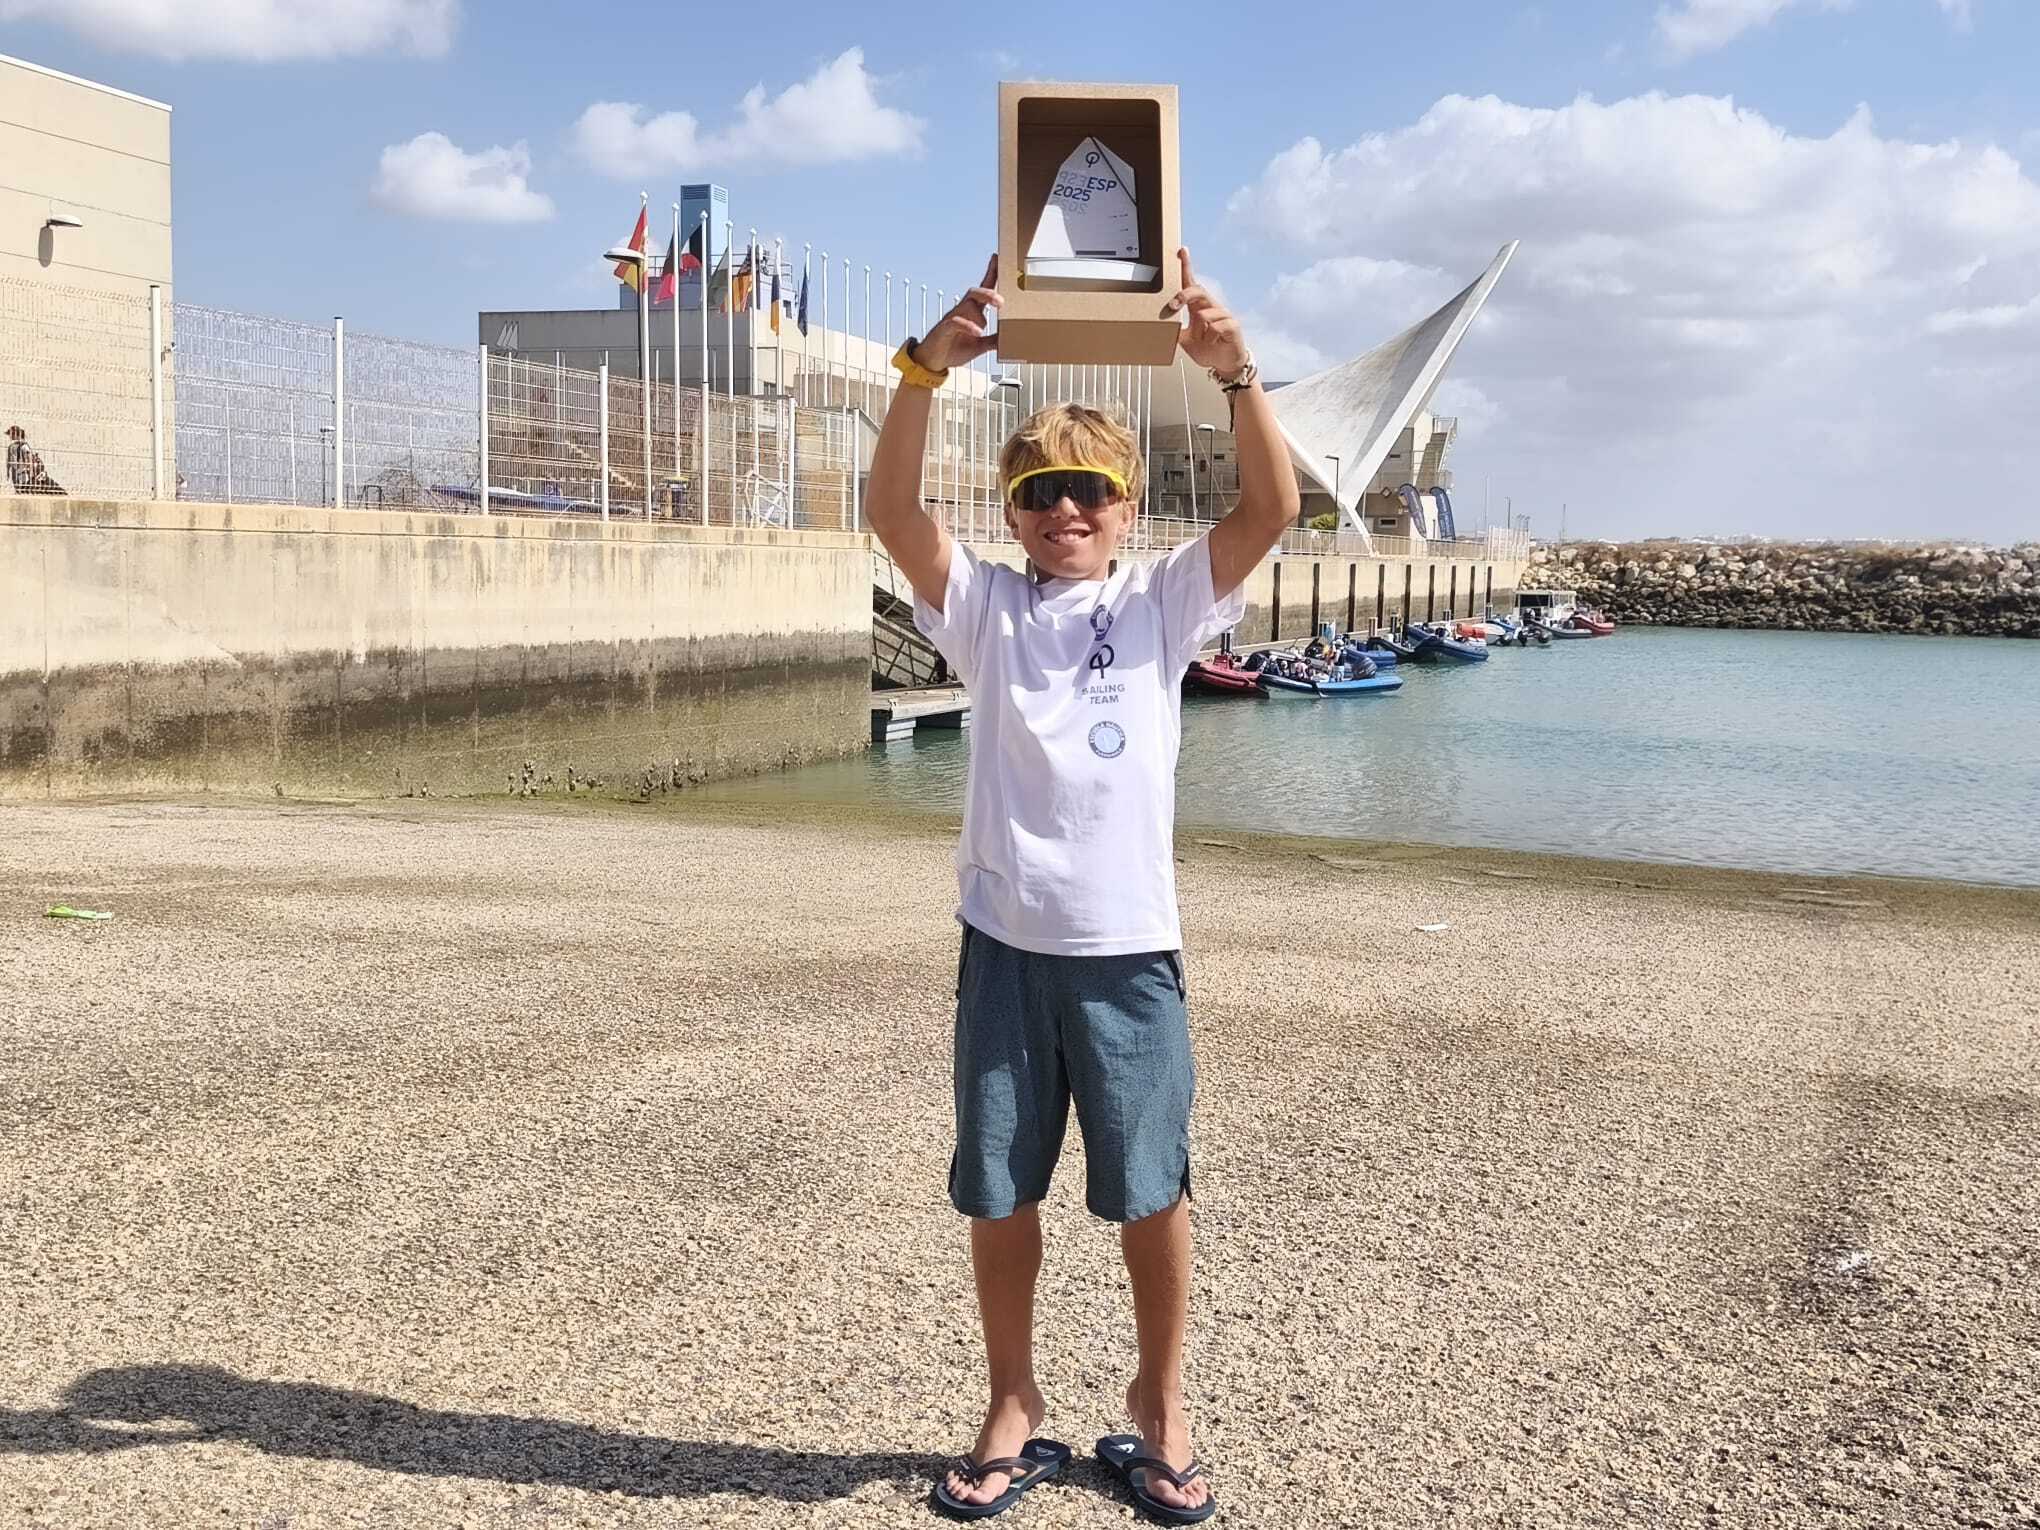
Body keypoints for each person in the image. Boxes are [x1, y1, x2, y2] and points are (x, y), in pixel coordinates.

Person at [867, 249, 1297, 1523]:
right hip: (1004, 943)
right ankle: (1015, 1399)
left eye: (1091, 492)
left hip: (1128, 953)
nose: (1068, 512)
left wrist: (1240, 377)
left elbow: (1271, 511)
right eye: (1044, 491)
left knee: (1150, 1188)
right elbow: (893, 514)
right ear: (1014, 510)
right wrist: (922, 370)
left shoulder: (1163, 602)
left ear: (1126, 507)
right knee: (1000, 1187)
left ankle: (1158, 1408)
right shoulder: (988, 610)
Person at [6, 425, 65, 495]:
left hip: (23, 474)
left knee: (23, 489)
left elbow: (29, 459)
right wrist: (8, 471)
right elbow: (9, 460)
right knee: (20, 489)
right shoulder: (12, 446)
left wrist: (31, 474)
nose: (10, 436)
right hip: (16, 473)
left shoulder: (23, 446)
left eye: (10, 434)